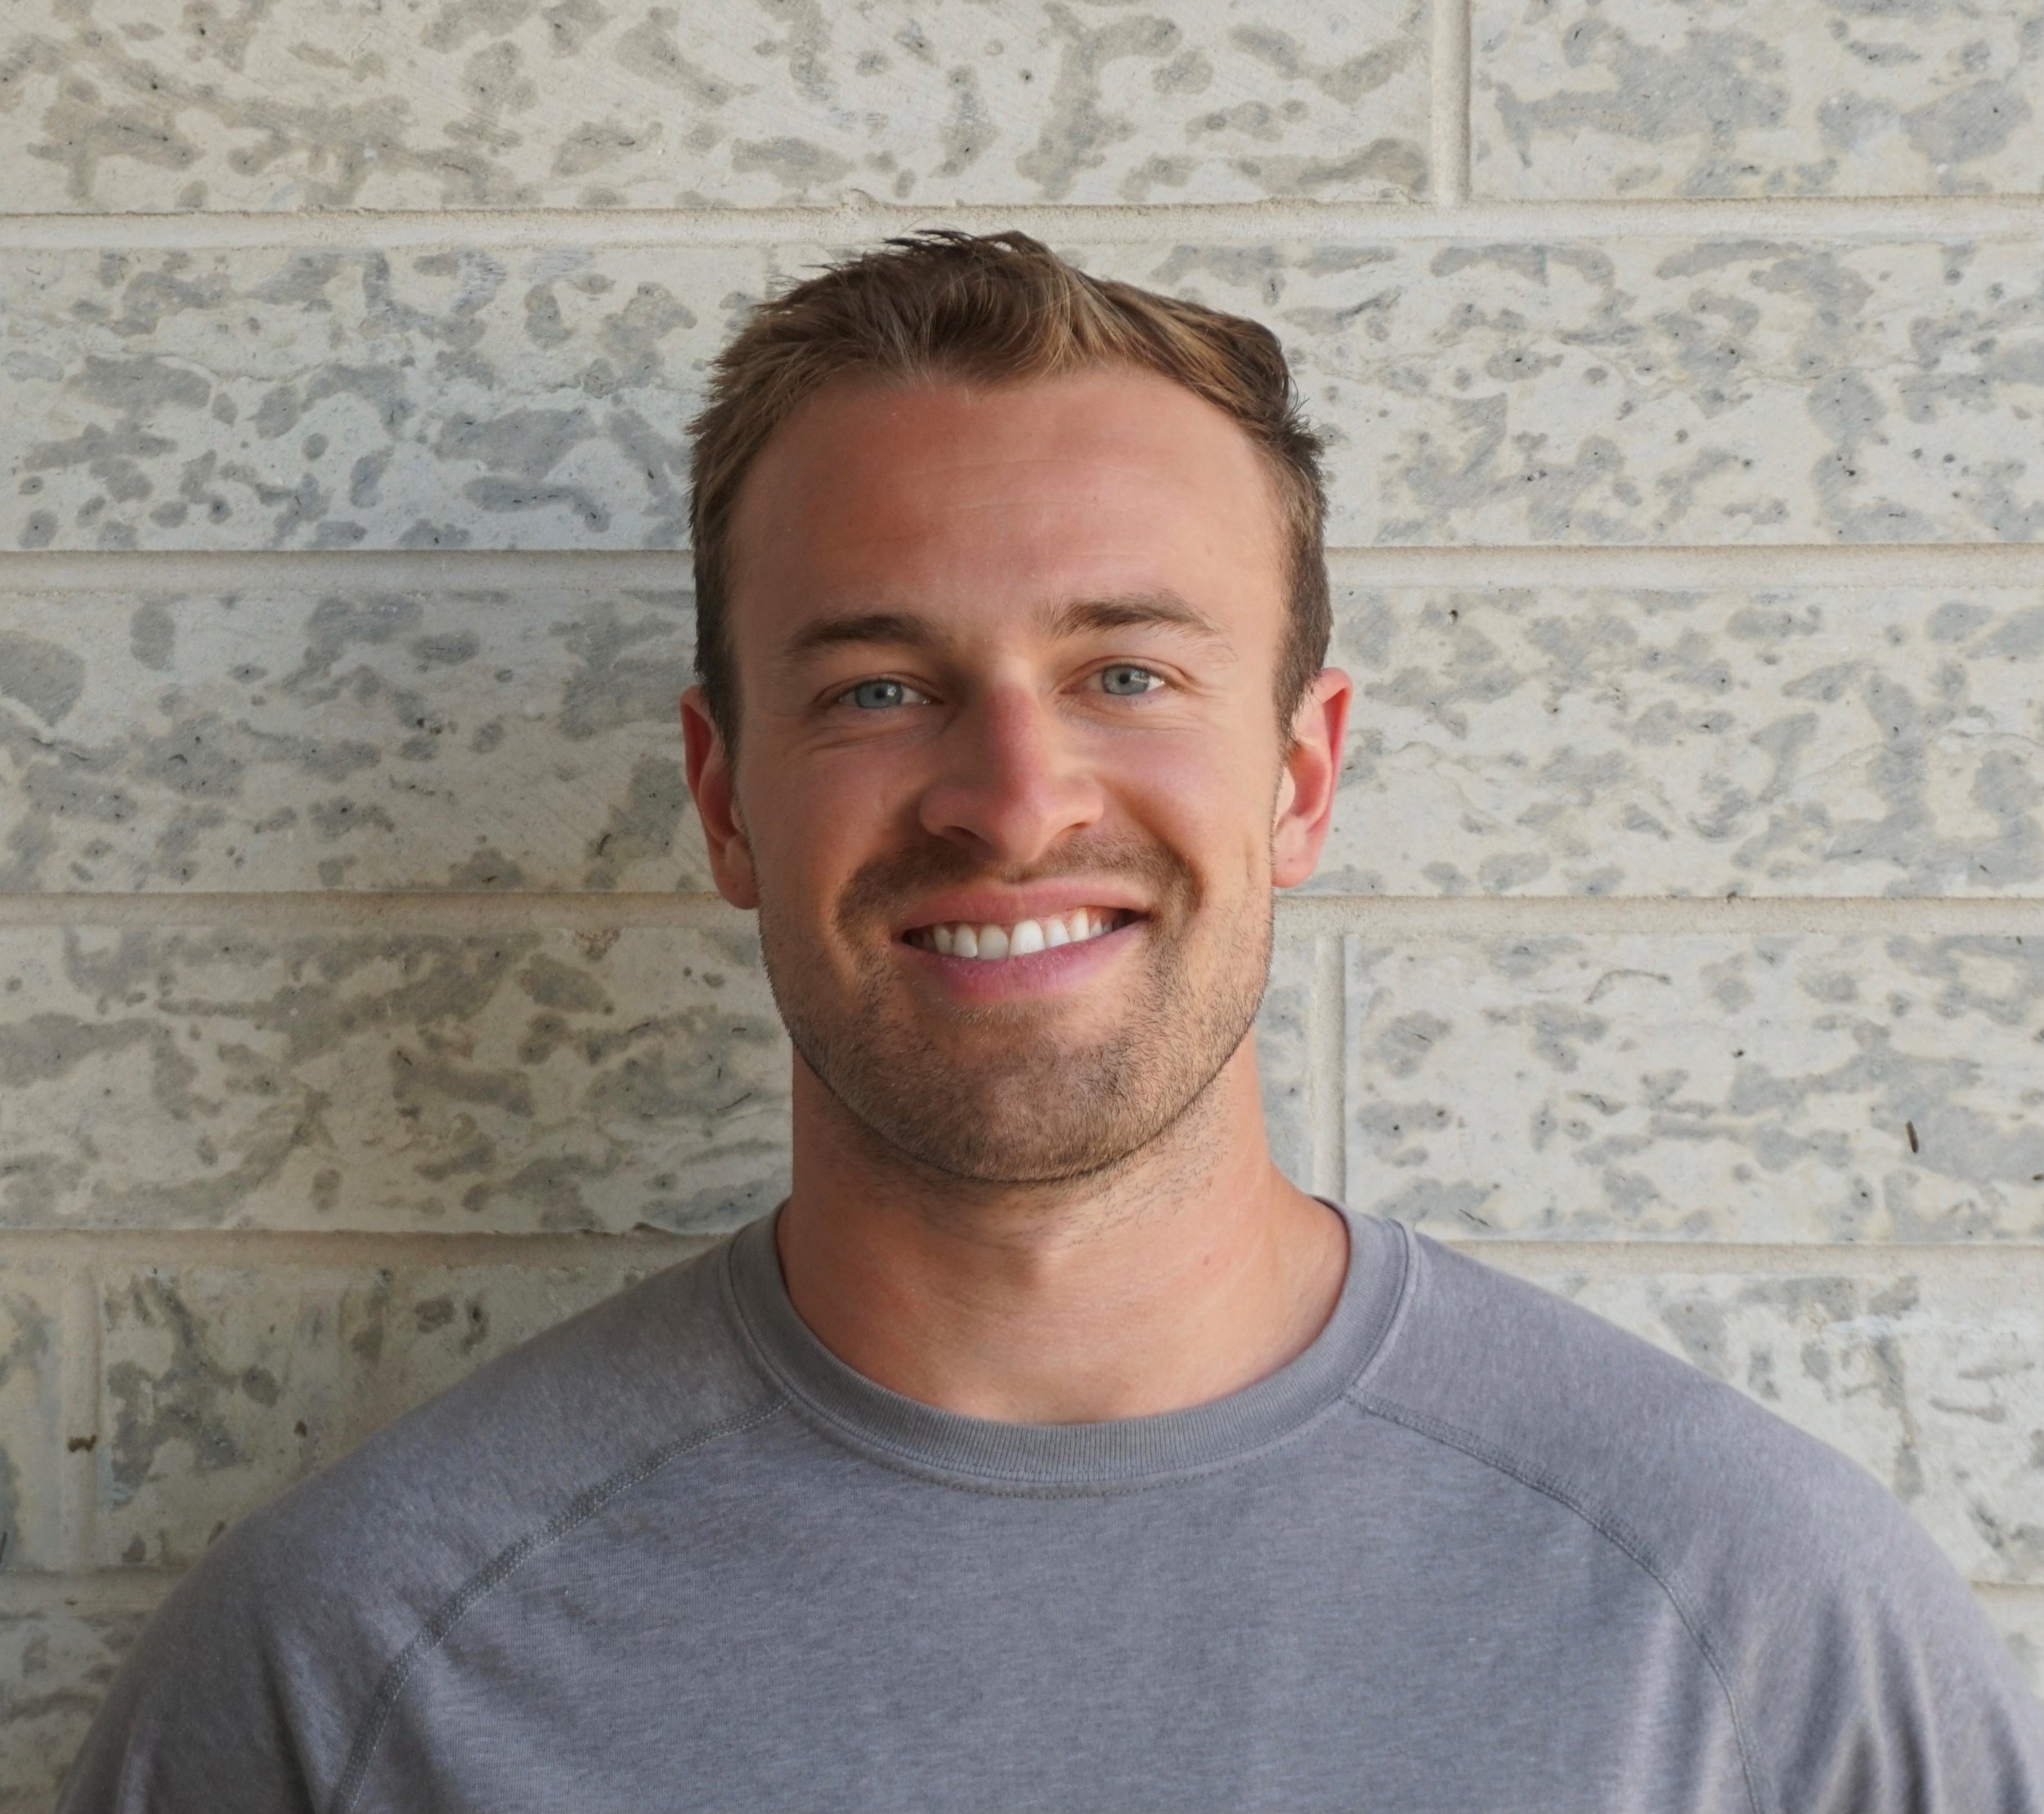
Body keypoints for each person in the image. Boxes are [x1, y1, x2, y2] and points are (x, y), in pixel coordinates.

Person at [60, 231, 2044, 1814]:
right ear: (724, 792)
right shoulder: (348, 1668)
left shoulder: (1756, 1625)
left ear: (1298, 775)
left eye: (1123, 673)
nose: (1012, 801)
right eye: (874, 689)